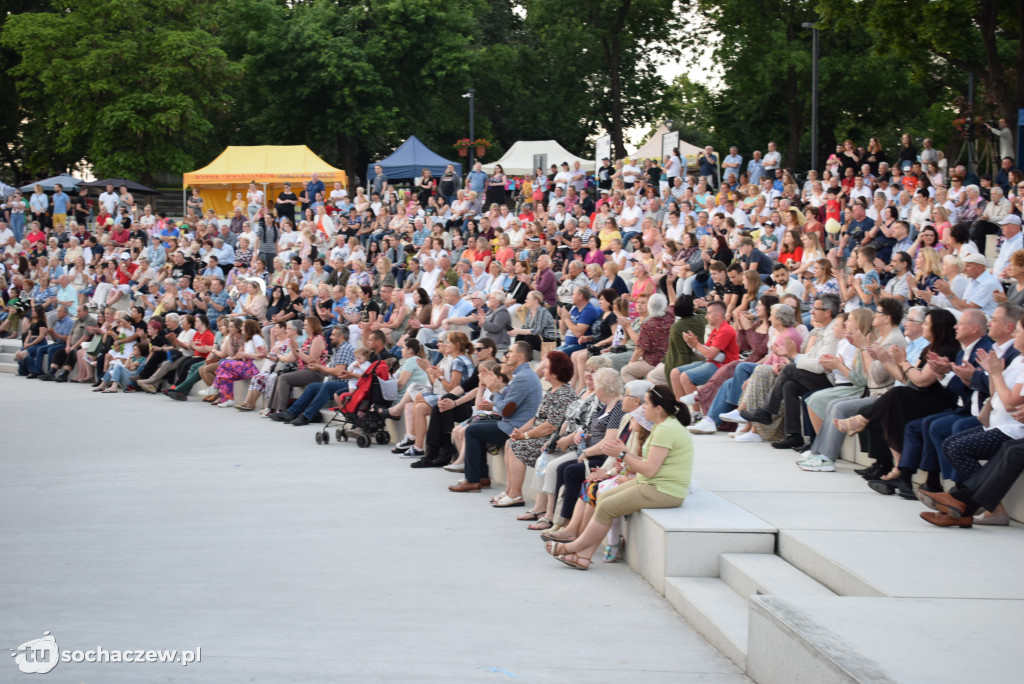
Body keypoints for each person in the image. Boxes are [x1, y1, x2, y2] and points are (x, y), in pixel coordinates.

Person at [544, 385, 692, 571]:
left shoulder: (666, 429)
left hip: (664, 490)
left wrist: (623, 454)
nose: (643, 407)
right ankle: (583, 556)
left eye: (646, 403)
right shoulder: (664, 425)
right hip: (654, 484)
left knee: (606, 506)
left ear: (659, 409)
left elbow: (650, 470)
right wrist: (625, 460)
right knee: (603, 497)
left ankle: (574, 547)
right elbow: (650, 463)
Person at [450, 341, 543, 492]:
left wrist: (494, 390)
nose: (507, 355)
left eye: (510, 352)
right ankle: (482, 477)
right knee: (475, 429)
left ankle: (473, 480)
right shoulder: (523, 375)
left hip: (516, 427)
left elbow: (506, 410)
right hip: (512, 422)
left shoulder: (522, 377)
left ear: (520, 356)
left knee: (472, 431)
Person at [496, 351, 578, 508]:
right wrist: (520, 432)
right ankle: (509, 490)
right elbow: (536, 418)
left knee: (516, 446)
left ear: (555, 372)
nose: (543, 371)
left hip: (553, 437)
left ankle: (516, 495)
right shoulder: (552, 390)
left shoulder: (564, 393)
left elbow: (551, 426)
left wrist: (525, 436)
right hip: (540, 432)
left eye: (547, 368)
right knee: (510, 442)